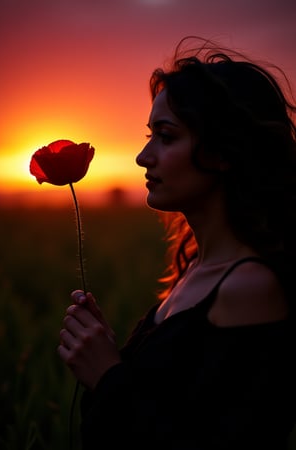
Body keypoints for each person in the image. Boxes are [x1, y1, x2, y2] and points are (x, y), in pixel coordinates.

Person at [57, 36, 296, 449]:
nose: (142, 156)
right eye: (150, 135)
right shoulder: (195, 270)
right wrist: (108, 353)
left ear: (224, 152)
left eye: (166, 137)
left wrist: (107, 375)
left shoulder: (250, 287)